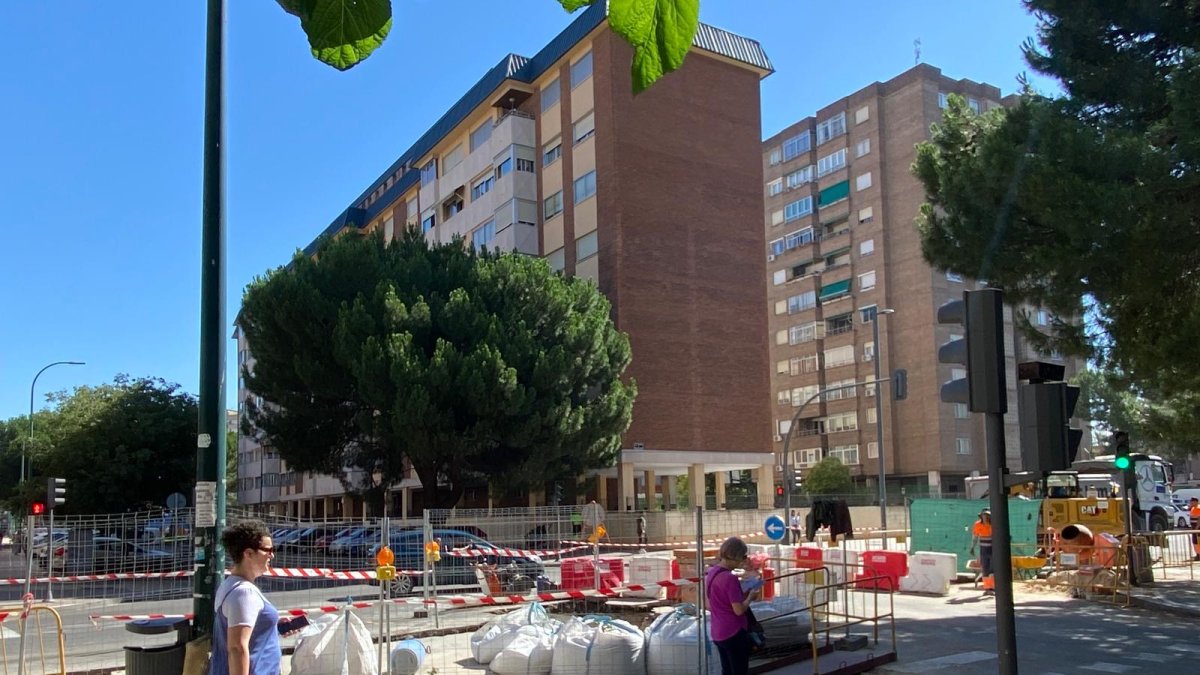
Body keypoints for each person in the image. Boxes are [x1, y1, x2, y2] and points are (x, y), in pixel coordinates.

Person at [210, 520, 293, 675]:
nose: (272, 555)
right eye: (268, 550)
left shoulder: (232, 585)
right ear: (248, 553)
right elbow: (237, 647)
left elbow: (240, 631)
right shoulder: (244, 593)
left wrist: (273, 625)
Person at [706, 536, 761, 675]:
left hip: (718, 631)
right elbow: (739, 610)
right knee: (739, 670)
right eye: (743, 557)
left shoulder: (712, 573)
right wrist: (750, 597)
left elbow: (709, 604)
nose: (743, 561)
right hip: (734, 631)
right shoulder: (730, 578)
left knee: (727, 670)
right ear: (736, 557)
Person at [969, 509, 994, 593]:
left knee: (992, 569)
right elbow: (975, 537)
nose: (985, 517)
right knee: (985, 569)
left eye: (987, 515)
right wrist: (972, 547)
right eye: (984, 515)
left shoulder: (993, 524)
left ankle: (992, 587)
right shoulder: (978, 524)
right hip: (984, 550)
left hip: (993, 549)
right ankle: (987, 588)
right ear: (981, 516)